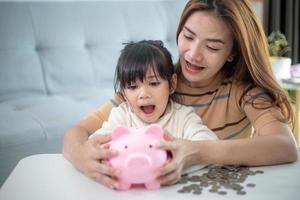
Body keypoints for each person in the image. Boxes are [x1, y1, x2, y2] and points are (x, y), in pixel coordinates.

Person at [63, 0, 298, 189]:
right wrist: (82, 157)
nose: (193, 54)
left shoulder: (244, 92)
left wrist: (198, 152)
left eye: (212, 47)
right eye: (188, 36)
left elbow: (284, 146)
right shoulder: (156, 83)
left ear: (232, 53)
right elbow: (77, 132)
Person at [90, 40, 217, 143]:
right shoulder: (122, 116)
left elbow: (209, 144)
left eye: (154, 83)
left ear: (172, 84)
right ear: (123, 93)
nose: (144, 94)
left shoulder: (183, 117)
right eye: (133, 87)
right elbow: (97, 142)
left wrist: (179, 149)